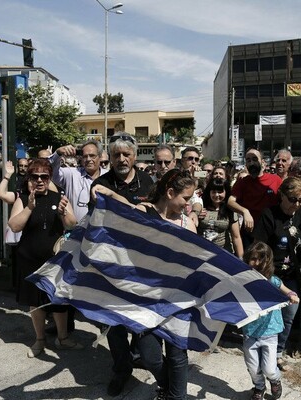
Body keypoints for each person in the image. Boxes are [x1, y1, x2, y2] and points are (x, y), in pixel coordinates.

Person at [92, 168, 197, 400]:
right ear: (170, 192)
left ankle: (175, 396)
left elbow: (195, 262)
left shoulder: (187, 223)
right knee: (150, 356)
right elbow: (123, 229)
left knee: (177, 355)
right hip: (146, 301)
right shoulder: (143, 212)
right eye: (186, 198)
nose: (188, 205)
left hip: (177, 301)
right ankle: (167, 386)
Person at [89, 132, 155, 396]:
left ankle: (140, 354)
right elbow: (94, 222)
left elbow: (151, 218)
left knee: (140, 317)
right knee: (114, 322)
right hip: (111, 263)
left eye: (126, 154)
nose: (121, 159)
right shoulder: (101, 182)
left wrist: (118, 202)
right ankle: (121, 369)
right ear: (110, 157)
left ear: (135, 156)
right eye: (116, 154)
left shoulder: (147, 182)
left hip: (140, 263)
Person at [7, 159, 82, 358]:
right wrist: (29, 208)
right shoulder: (23, 198)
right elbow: (14, 226)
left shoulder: (60, 197)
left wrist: (63, 212)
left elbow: (72, 224)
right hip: (30, 258)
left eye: (44, 177)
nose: (39, 181)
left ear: (49, 178)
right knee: (36, 302)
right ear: (29, 178)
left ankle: (63, 338)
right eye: (35, 177)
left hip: (55, 261)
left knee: (59, 301)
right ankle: (39, 339)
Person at [253, 176, 301, 369]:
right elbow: (259, 247)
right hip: (271, 275)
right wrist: (264, 274)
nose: (297, 203)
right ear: (282, 195)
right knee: (268, 317)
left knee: (288, 316)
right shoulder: (269, 214)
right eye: (293, 199)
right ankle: (262, 352)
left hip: (293, 274)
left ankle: (278, 352)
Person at [242, 242, 299, 400]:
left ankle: (275, 380)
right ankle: (259, 387)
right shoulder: (244, 282)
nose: (258, 263)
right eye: (253, 259)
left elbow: (287, 291)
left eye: (262, 259)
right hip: (250, 332)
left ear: (269, 261)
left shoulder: (273, 281)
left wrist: (292, 296)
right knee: (253, 367)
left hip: (270, 332)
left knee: (269, 368)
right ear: (247, 260)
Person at [228, 148, 282, 247]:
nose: (251, 163)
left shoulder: (275, 180)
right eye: (248, 160)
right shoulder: (242, 182)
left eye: (254, 159)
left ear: (262, 162)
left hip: (272, 232)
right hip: (250, 233)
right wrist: (245, 212)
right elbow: (231, 201)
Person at [50, 140, 108, 223]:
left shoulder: (108, 177)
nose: (88, 159)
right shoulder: (72, 174)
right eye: (85, 156)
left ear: (100, 157)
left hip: (102, 232)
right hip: (77, 232)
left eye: (92, 156)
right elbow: (48, 170)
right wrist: (58, 153)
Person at [198, 177, 244, 258]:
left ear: (226, 192)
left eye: (220, 192)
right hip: (202, 253)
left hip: (223, 254)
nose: (216, 195)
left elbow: (236, 237)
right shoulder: (201, 206)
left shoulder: (230, 210)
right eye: (213, 192)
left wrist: (241, 259)